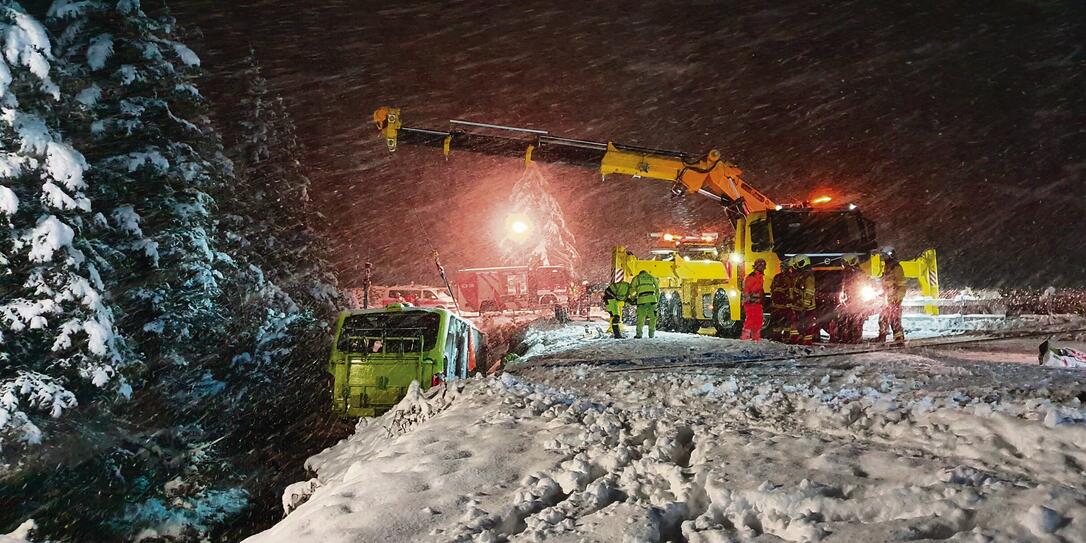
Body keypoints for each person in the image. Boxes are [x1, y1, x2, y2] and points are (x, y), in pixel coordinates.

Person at [833, 255, 866, 344]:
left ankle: (855, 338)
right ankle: (846, 337)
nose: (844, 265)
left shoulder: (859, 273)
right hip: (848, 300)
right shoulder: (846, 273)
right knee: (845, 319)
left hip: (856, 301)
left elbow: (861, 286)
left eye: (845, 263)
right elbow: (845, 286)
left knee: (856, 320)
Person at [877, 249, 907, 345]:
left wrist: (897, 298)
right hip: (888, 299)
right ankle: (882, 337)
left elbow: (901, 285)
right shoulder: (887, 268)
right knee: (883, 318)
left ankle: (899, 339)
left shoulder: (896, 268)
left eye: (885, 256)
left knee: (895, 320)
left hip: (894, 299)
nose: (883, 258)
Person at [790, 255, 816, 345]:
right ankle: (797, 338)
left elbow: (809, 291)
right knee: (797, 321)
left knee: (808, 322)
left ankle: (807, 340)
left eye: (798, 264)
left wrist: (805, 304)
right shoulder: (800, 275)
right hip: (798, 304)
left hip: (806, 305)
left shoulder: (808, 276)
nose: (796, 266)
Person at [768, 260, 795, 341]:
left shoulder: (777, 277)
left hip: (778, 305)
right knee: (786, 323)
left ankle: (777, 337)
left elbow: (772, 289)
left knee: (778, 323)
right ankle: (785, 337)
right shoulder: (791, 277)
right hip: (785, 305)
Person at [741, 259, 767, 341]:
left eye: (763, 266)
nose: (763, 268)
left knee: (758, 320)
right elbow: (746, 290)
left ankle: (755, 338)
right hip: (751, 303)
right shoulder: (751, 277)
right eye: (761, 266)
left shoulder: (760, 277)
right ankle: (745, 338)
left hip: (757, 303)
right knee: (750, 320)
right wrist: (749, 299)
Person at [629, 270, 660, 339]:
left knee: (641, 318)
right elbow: (658, 290)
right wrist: (656, 300)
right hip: (652, 300)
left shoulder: (637, 278)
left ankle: (639, 334)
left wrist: (632, 297)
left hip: (642, 300)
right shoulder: (652, 277)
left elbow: (632, 290)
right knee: (653, 318)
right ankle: (651, 334)